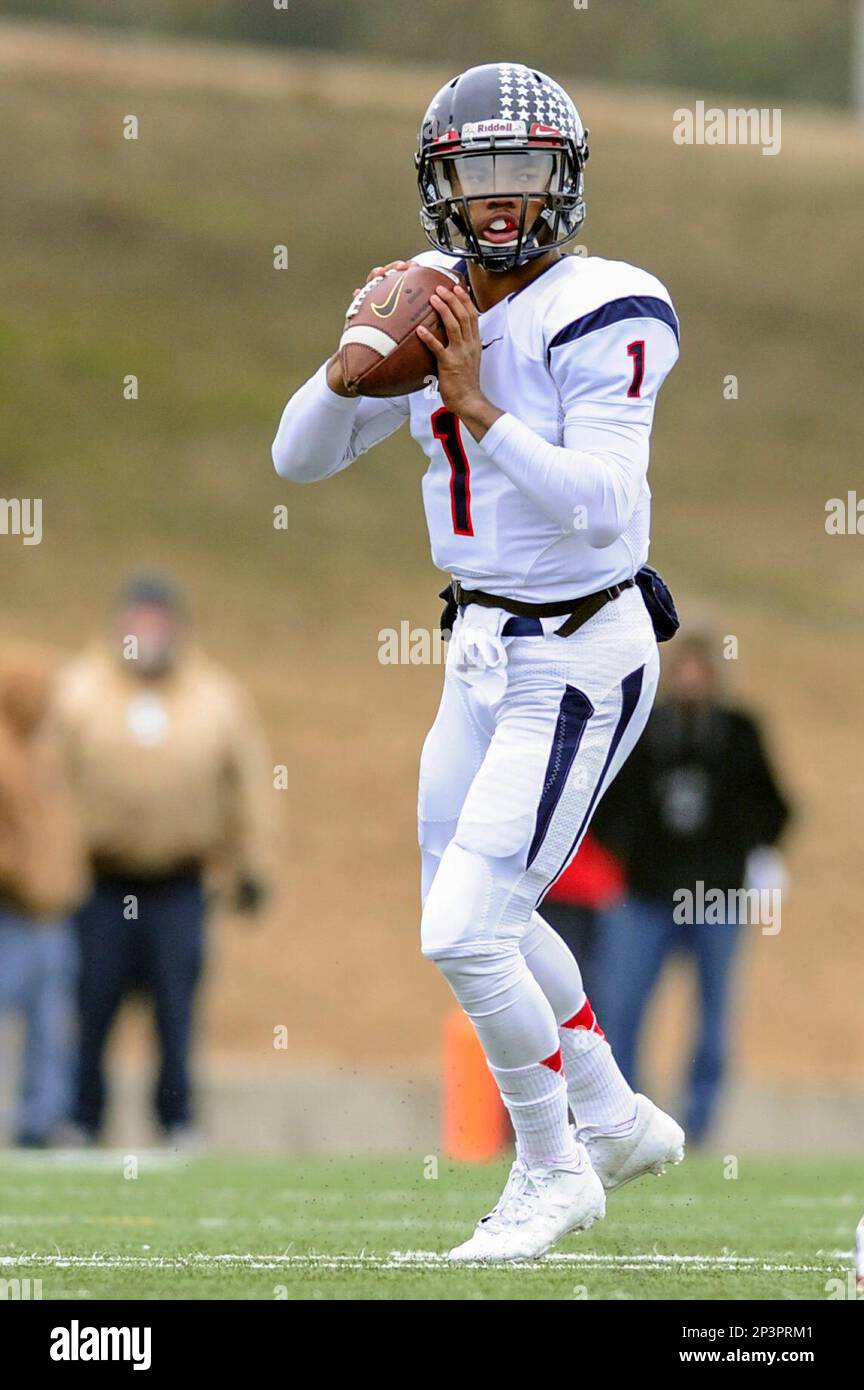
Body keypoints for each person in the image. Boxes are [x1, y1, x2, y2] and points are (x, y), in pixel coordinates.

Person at [273, 63, 683, 1261]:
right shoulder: (434, 301)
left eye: (523, 169)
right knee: (465, 907)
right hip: (481, 648)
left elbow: (605, 507)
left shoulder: (609, 303)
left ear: (566, 176)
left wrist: (476, 402)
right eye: (474, 170)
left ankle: (554, 1171)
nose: (499, 198)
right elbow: (297, 458)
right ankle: (608, 1111)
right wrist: (350, 354)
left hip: (582, 645)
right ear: (436, 183)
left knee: (467, 928)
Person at [53, 572, 272, 1145]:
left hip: (179, 883)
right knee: (91, 1003)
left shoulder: (214, 696)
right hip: (99, 883)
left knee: (177, 1010)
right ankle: (81, 1118)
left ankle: (176, 1121)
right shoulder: (79, 690)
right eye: (138, 620)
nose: (147, 633)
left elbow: (248, 786)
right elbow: (49, 785)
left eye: (158, 621)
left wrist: (253, 864)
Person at [591, 629, 791, 1143]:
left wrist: (750, 852)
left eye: (702, 670)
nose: (692, 679)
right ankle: (625, 1120)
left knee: (713, 1013)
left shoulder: (739, 733)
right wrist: (629, 851)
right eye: (684, 669)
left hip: (716, 895)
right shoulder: (644, 730)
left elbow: (774, 806)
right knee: (621, 1005)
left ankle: (699, 1123)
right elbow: (604, 803)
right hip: (645, 895)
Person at [0, 650, 88, 1146]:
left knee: (50, 1024)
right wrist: (18, 876)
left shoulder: (44, 756)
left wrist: (62, 882)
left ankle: (41, 1117)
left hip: (51, 916)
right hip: (9, 912)